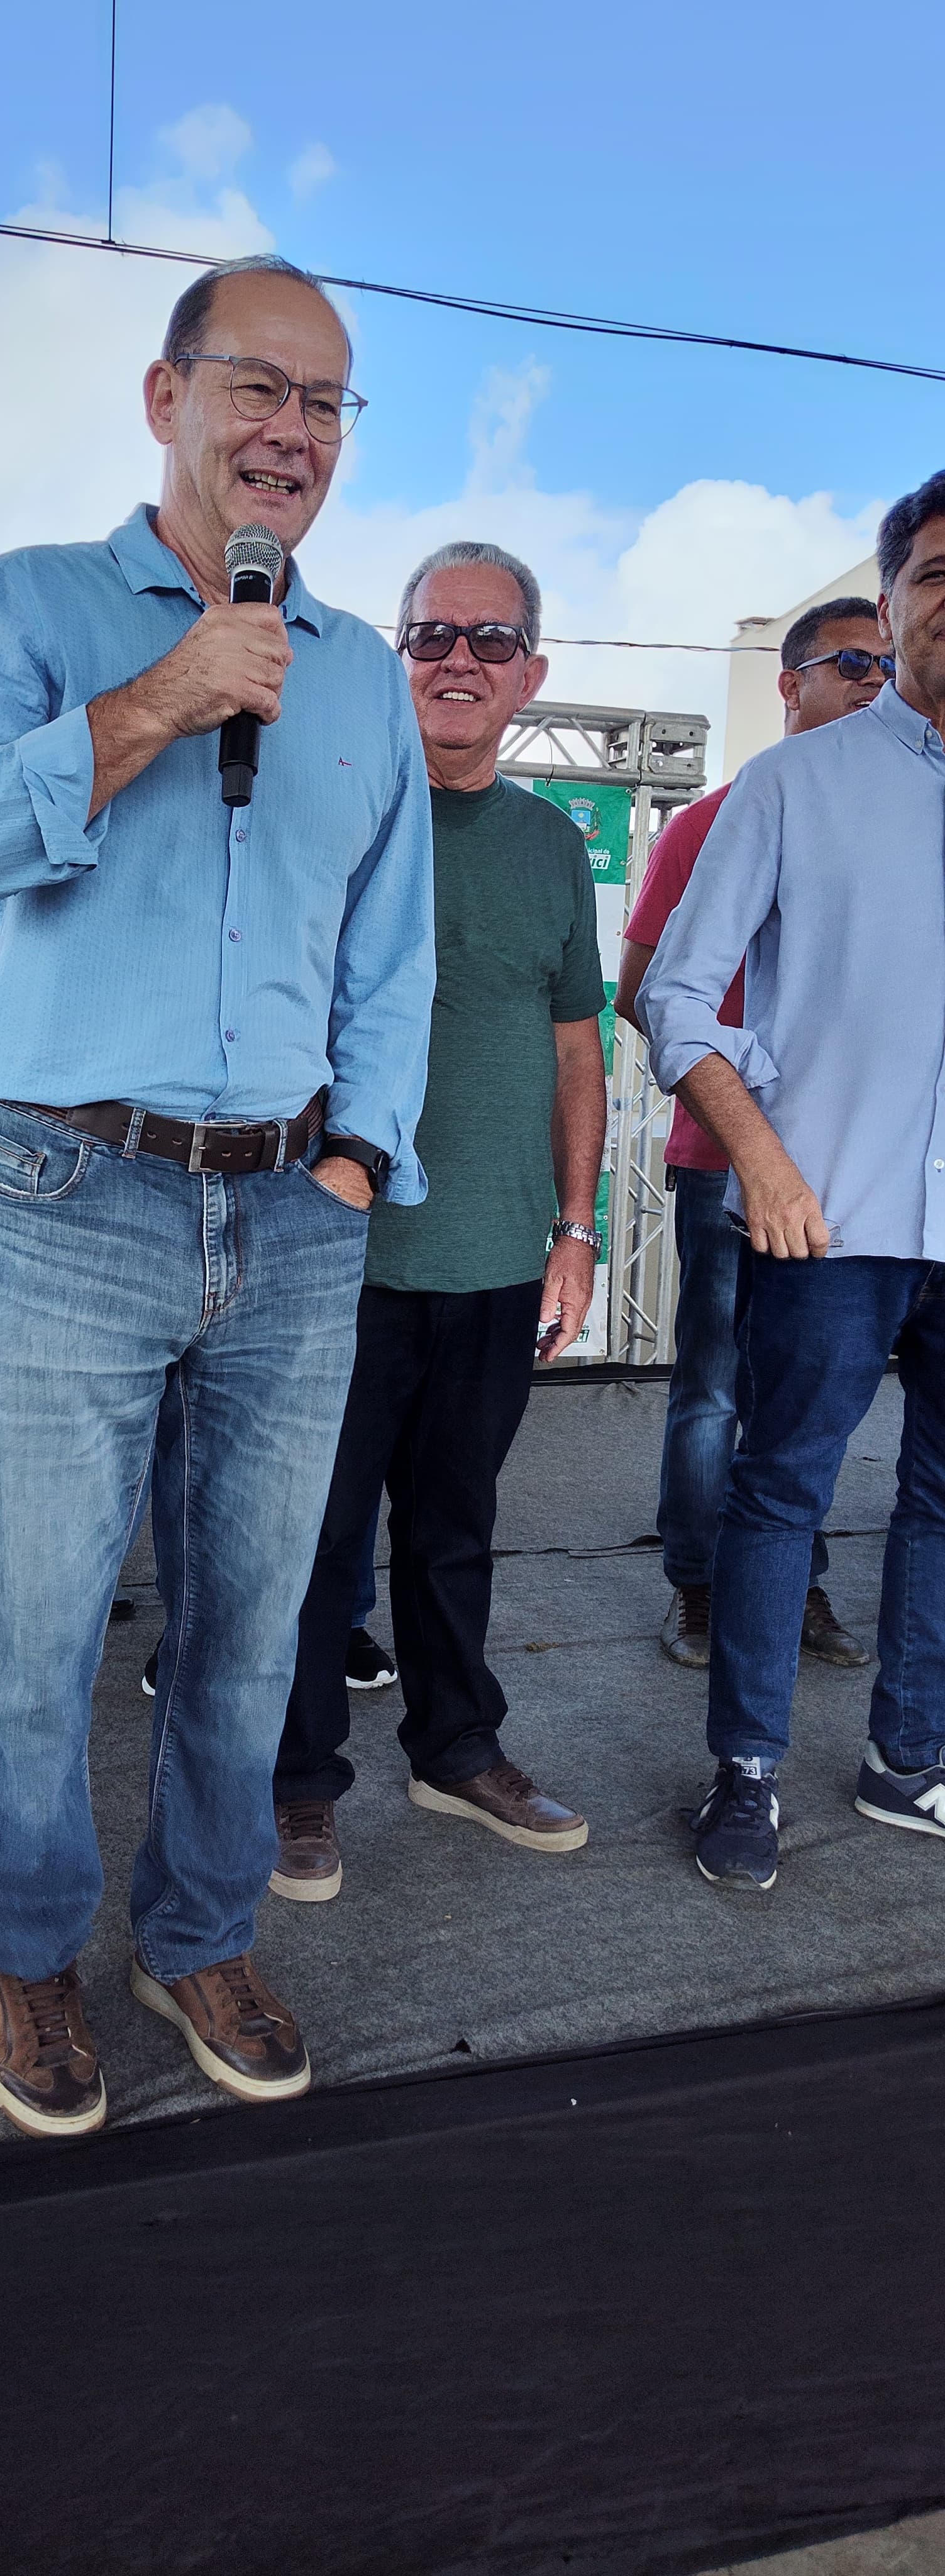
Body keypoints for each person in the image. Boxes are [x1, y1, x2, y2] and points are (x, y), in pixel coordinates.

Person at [0, 253, 434, 2138]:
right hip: (66, 1185)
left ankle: (198, 1932)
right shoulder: (30, 606)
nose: (292, 431)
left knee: (250, 1628)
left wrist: (357, 1159)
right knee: (36, 1633)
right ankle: (28, 1951)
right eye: (257, 386)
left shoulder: (358, 674)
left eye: (325, 403)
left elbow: (391, 953)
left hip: (292, 1212)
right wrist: (155, 701)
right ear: (165, 395)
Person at [269, 541, 605, 1899]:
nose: (458, 658)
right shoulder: (329, 814)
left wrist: (575, 1228)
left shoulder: (552, 846)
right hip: (330, 1254)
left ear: (532, 672)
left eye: (490, 639)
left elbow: (576, 1050)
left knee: (454, 1528)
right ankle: (296, 1780)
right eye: (431, 634)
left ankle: (455, 1747)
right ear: (394, 654)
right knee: (312, 1538)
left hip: (492, 1258)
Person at [639, 470, 945, 1891]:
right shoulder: (791, 785)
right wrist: (759, 1155)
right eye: (936, 576)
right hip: (823, 1218)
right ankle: (746, 1771)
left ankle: (909, 1757)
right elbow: (673, 998)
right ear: (889, 603)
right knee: (780, 1492)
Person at [617, 603, 889, 1674]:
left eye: (885, 665)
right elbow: (639, 991)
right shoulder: (707, 823)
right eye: (851, 662)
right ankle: (695, 1586)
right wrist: (745, 1090)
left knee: (804, 1393)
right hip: (721, 1162)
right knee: (714, 1386)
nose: (873, 680)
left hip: (844, 1170)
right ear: (789, 683)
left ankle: (794, 1585)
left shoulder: (894, 821)